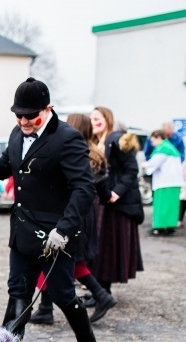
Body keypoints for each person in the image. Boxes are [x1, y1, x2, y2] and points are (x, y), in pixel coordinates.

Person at [0, 77, 100, 342]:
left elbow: (84, 188)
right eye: (18, 115)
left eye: (30, 115)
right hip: (23, 229)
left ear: (47, 109)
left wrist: (64, 229)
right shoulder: (16, 133)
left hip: (56, 234)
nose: (23, 120)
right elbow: (3, 167)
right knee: (18, 290)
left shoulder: (67, 137)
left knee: (63, 293)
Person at [30, 113, 116, 326]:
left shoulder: (75, 153)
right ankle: (46, 308)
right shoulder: (95, 153)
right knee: (55, 258)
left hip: (71, 213)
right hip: (85, 213)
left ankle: (99, 296)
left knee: (58, 259)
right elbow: (101, 187)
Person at [90, 106, 144, 294]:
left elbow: (131, 170)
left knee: (107, 246)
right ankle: (99, 290)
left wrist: (116, 193)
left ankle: (103, 291)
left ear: (107, 119)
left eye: (98, 118)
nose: (94, 122)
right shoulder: (98, 142)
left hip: (115, 204)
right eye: (91, 119)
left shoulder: (117, 140)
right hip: (102, 201)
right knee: (99, 245)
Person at [144, 130, 184, 236]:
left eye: (153, 141)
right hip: (174, 182)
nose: (152, 144)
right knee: (172, 206)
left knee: (161, 206)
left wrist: (144, 165)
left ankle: (159, 227)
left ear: (158, 138)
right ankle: (170, 226)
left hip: (164, 182)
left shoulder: (162, 148)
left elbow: (154, 163)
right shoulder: (171, 148)